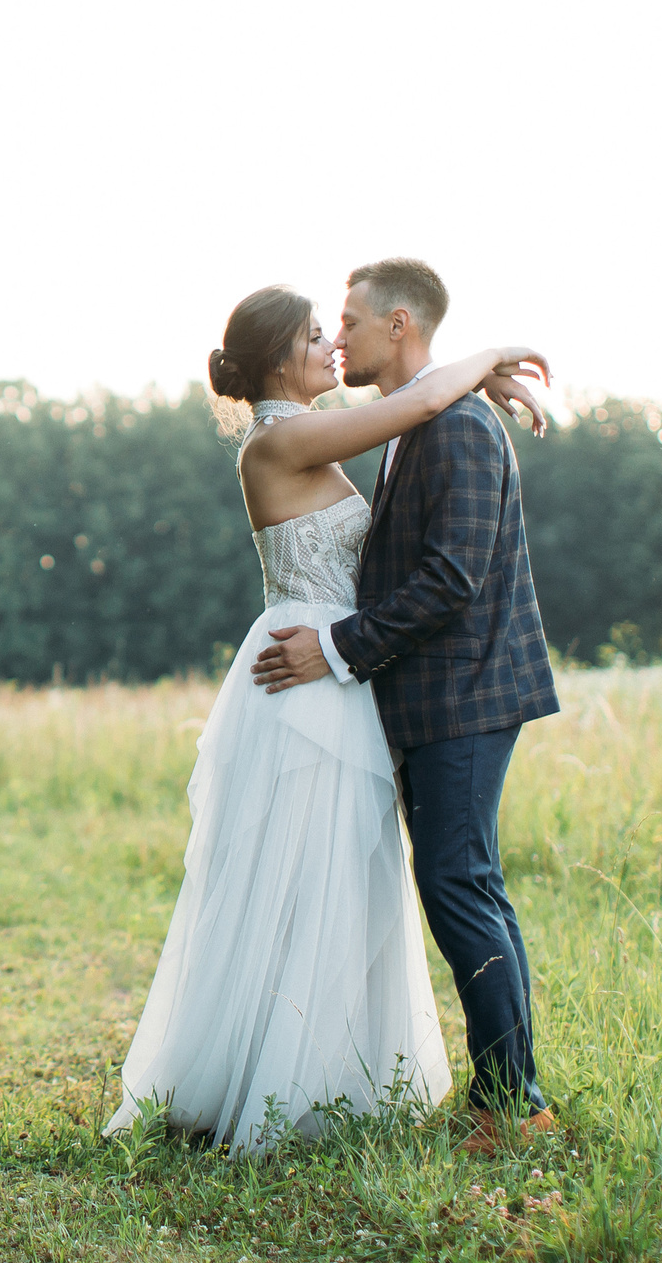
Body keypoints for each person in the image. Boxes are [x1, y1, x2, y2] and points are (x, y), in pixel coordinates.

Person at [105, 279, 548, 1153]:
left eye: (337, 327)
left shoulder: (315, 432)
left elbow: (424, 402)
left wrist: (471, 377)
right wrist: (492, 357)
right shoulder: (283, 438)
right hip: (306, 674)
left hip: (335, 669)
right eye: (317, 334)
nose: (332, 345)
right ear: (280, 359)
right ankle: (274, 1079)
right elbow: (419, 397)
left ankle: (341, 1074)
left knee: (339, 876)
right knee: (300, 875)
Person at [249, 258, 562, 1156]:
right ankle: (511, 1093)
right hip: (434, 696)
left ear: (399, 325)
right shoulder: (419, 418)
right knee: (466, 882)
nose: (338, 337)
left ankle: (513, 1104)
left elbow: (450, 579)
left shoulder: (456, 426)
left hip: (465, 695)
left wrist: (338, 648)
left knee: (459, 884)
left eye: (347, 321)